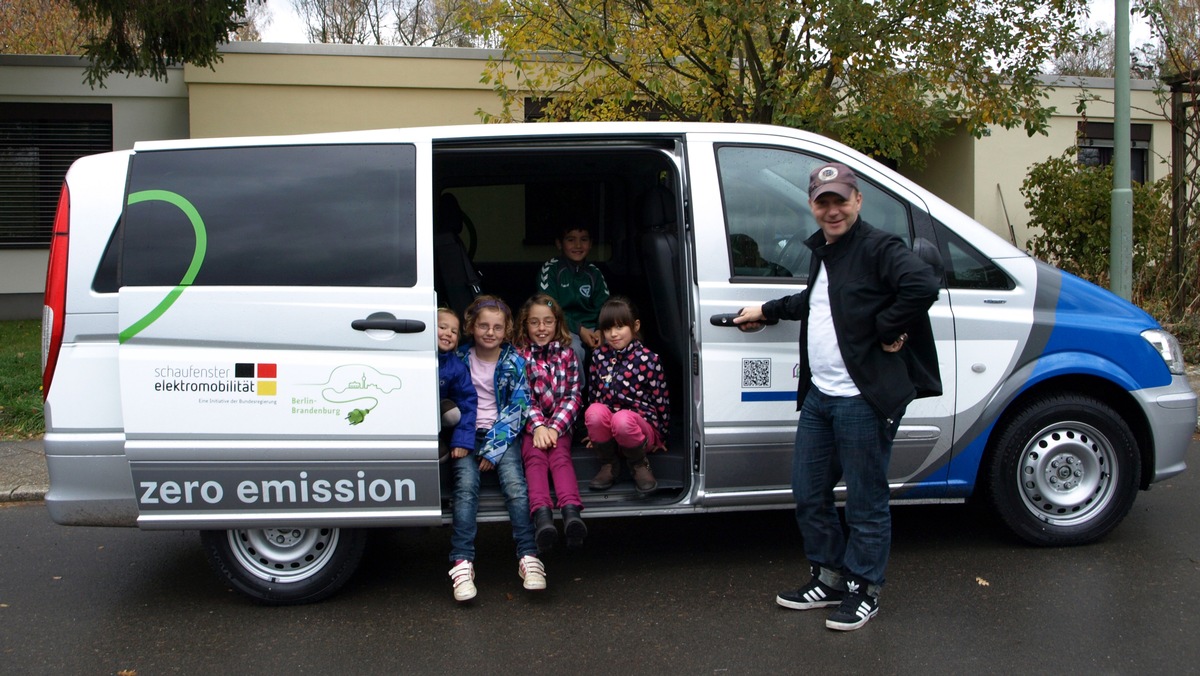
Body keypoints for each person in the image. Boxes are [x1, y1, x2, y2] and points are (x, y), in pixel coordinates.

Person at [734, 161, 941, 631]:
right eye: (823, 202)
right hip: (822, 396)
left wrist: (889, 328)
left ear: (858, 201)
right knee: (809, 493)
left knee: (866, 502)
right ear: (812, 205)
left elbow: (922, 284)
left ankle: (864, 589)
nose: (832, 211)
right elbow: (818, 302)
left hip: (861, 398)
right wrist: (766, 311)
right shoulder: (824, 250)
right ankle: (828, 578)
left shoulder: (877, 246)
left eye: (840, 201)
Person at [448, 295, 544, 602]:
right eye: (484, 326)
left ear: (507, 331)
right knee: (465, 489)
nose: (490, 332)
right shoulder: (459, 359)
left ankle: (529, 557)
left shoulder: (514, 361)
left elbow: (519, 406)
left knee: (516, 486)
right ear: (471, 327)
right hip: (466, 435)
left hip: (502, 435)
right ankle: (462, 562)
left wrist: (492, 449)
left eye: (497, 327)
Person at [515, 293, 587, 552]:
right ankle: (543, 518)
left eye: (547, 321)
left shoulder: (568, 355)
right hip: (532, 428)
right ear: (525, 325)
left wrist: (554, 427)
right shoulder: (519, 357)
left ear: (557, 323)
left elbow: (573, 396)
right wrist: (539, 427)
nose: (541, 328)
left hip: (560, 426)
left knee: (560, 458)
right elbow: (521, 397)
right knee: (534, 460)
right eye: (534, 322)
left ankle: (571, 514)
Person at [583, 296, 670, 494]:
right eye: (607, 329)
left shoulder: (649, 359)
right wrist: (593, 433)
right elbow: (595, 395)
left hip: (639, 430)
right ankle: (609, 464)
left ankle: (639, 465)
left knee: (623, 419)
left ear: (635, 326)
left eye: (620, 327)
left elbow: (661, 400)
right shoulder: (599, 356)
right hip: (610, 432)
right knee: (594, 411)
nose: (613, 334)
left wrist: (661, 437)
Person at [537, 223, 611, 368]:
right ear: (559, 243)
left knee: (614, 343)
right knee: (572, 350)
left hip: (594, 327)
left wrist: (599, 329)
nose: (578, 245)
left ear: (590, 244)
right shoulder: (551, 270)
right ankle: (576, 390)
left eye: (583, 239)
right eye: (571, 240)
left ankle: (607, 390)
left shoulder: (594, 273)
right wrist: (579, 329)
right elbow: (549, 306)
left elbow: (605, 306)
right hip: (564, 327)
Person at [436, 308, 477, 464]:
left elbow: (467, 402)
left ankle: (439, 441)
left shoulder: (456, 367)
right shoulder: (413, 357)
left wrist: (462, 441)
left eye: (454, 331)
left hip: (437, 417)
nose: (448, 333)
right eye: (442, 327)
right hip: (412, 411)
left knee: (452, 413)